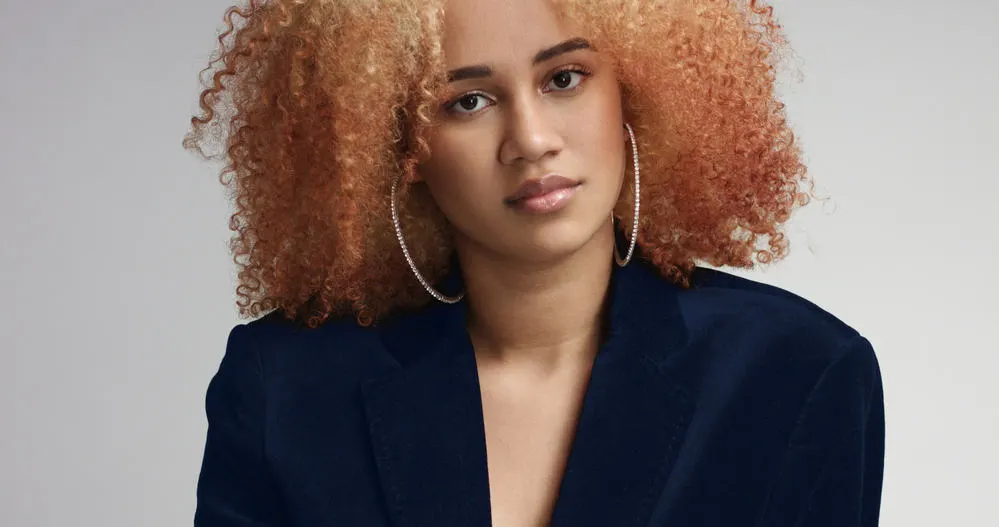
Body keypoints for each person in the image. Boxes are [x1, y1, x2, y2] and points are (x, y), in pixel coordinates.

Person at [184, 0, 885, 525]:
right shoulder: (285, 386)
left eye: (564, 78)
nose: (530, 139)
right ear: (400, 148)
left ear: (632, 95)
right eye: (467, 101)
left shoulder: (795, 373)